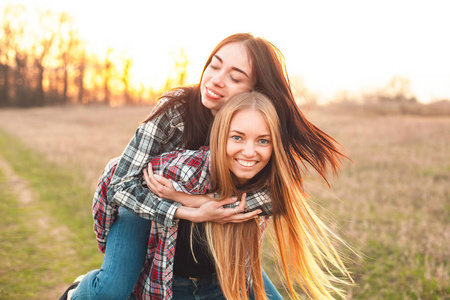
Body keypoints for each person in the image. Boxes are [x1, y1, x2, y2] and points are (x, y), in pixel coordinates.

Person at [60, 32, 349, 300]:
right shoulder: (175, 111)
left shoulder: (260, 125)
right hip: (141, 200)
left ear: (255, 91)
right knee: (111, 291)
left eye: (235, 78)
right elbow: (121, 185)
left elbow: (276, 195)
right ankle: (78, 291)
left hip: (206, 216)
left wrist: (194, 200)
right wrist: (186, 210)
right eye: (214, 65)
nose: (216, 80)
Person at [142, 91, 352, 299]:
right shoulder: (186, 168)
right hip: (171, 287)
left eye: (263, 141)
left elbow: (274, 200)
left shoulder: (269, 184)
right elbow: (123, 178)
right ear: (219, 137)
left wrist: (185, 199)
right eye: (237, 138)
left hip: (227, 285)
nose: (249, 152)